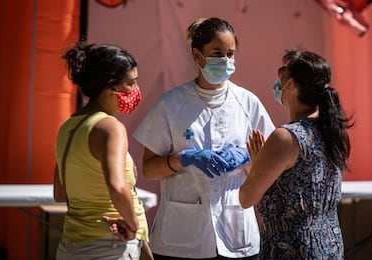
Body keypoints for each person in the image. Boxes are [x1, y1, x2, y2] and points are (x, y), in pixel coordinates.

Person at [133, 17, 275, 259]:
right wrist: (183, 158)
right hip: (180, 237)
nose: (226, 60)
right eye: (217, 53)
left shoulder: (248, 103)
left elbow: (269, 168)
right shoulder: (172, 104)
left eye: (230, 54)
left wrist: (246, 157)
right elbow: (149, 169)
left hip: (236, 233)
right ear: (197, 55)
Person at [240, 48, 353, 259]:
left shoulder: (286, 137)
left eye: (282, 76)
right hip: (329, 244)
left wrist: (256, 165)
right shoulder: (333, 131)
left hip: (292, 248)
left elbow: (247, 198)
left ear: (290, 85)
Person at [53, 42, 148, 259]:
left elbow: (60, 193)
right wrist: (132, 226)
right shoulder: (110, 127)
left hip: (72, 244)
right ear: (110, 85)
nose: (134, 91)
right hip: (111, 246)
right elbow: (117, 186)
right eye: (130, 83)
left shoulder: (68, 127)